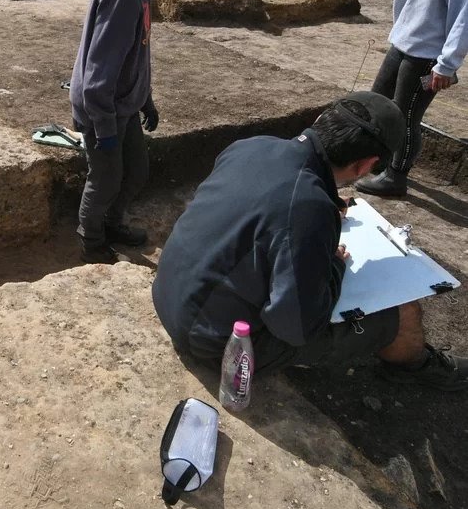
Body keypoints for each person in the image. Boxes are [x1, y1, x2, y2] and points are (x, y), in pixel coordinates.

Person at [152, 93, 468, 390]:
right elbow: (296, 328)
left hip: (172, 301)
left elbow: (263, 204)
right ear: (365, 166)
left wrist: (322, 207)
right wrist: (335, 268)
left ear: (319, 120)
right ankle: (414, 366)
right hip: (220, 346)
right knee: (403, 312)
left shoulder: (251, 146)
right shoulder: (309, 206)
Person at [70, 0, 188, 264]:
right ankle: (91, 240)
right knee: (105, 178)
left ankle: (112, 222)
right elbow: (100, 69)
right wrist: (105, 128)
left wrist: (144, 98)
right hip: (102, 106)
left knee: (135, 171)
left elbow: (134, 52)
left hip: (123, 101)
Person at [357, 0, 468, 197]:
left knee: (404, 116)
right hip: (403, 43)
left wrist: (446, 64)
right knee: (379, 102)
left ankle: (395, 177)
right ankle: (378, 159)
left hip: (427, 54)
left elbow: (464, 14)